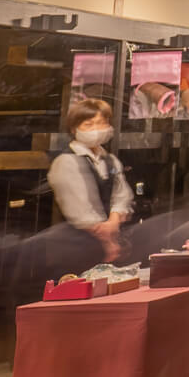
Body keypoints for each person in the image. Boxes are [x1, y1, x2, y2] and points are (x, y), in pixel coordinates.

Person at [48, 99, 134, 268]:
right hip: (76, 244)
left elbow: (121, 194)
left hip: (110, 241)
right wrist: (106, 238)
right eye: (89, 124)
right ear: (74, 129)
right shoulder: (66, 161)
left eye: (102, 123)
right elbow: (79, 209)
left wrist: (114, 221)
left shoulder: (110, 160)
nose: (96, 129)